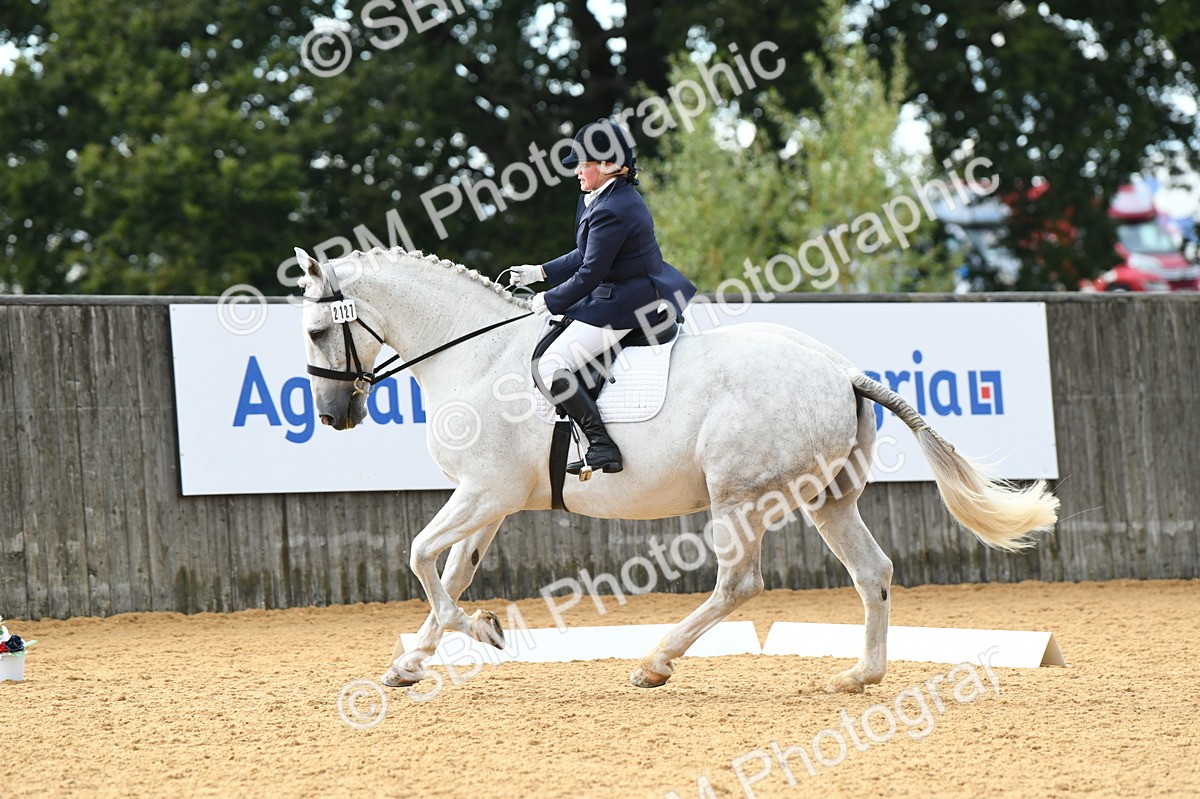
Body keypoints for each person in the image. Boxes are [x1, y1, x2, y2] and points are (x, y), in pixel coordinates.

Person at [509, 119, 697, 477]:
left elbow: (591, 273)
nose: (578, 171)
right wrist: (541, 272)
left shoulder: (614, 208)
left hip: (629, 301)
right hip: (619, 290)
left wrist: (550, 300)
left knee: (549, 365)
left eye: (585, 164)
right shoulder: (599, 197)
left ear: (609, 165)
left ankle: (601, 445)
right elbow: (584, 253)